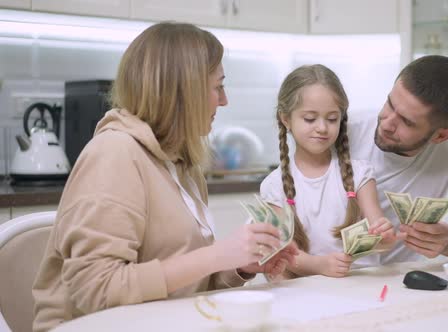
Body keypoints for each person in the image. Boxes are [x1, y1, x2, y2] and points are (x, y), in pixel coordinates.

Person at [32, 22, 297, 332]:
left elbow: (185, 283)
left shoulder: (182, 162)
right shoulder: (114, 154)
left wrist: (237, 265)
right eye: (218, 86)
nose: (224, 100)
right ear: (184, 90)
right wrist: (215, 255)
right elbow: (96, 290)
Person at [348, 55, 448, 264]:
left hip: (402, 281)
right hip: (335, 276)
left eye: (407, 122)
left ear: (441, 136)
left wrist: (447, 241)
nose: (387, 124)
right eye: (390, 104)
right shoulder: (343, 130)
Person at [260, 64, 402, 279]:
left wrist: (385, 237)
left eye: (332, 118)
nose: (322, 128)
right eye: (310, 119)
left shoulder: (360, 174)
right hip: (311, 292)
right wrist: (320, 265)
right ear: (286, 119)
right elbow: (284, 252)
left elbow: (379, 238)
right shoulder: (274, 185)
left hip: (363, 288)